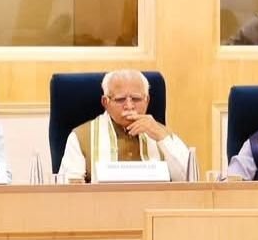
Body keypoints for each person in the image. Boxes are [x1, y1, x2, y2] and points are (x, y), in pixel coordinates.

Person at [58, 69, 189, 182]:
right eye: (120, 99)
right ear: (105, 102)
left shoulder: (161, 133)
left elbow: (189, 179)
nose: (129, 106)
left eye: (136, 99)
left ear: (147, 100)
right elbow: (68, 189)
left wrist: (162, 137)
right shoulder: (81, 137)